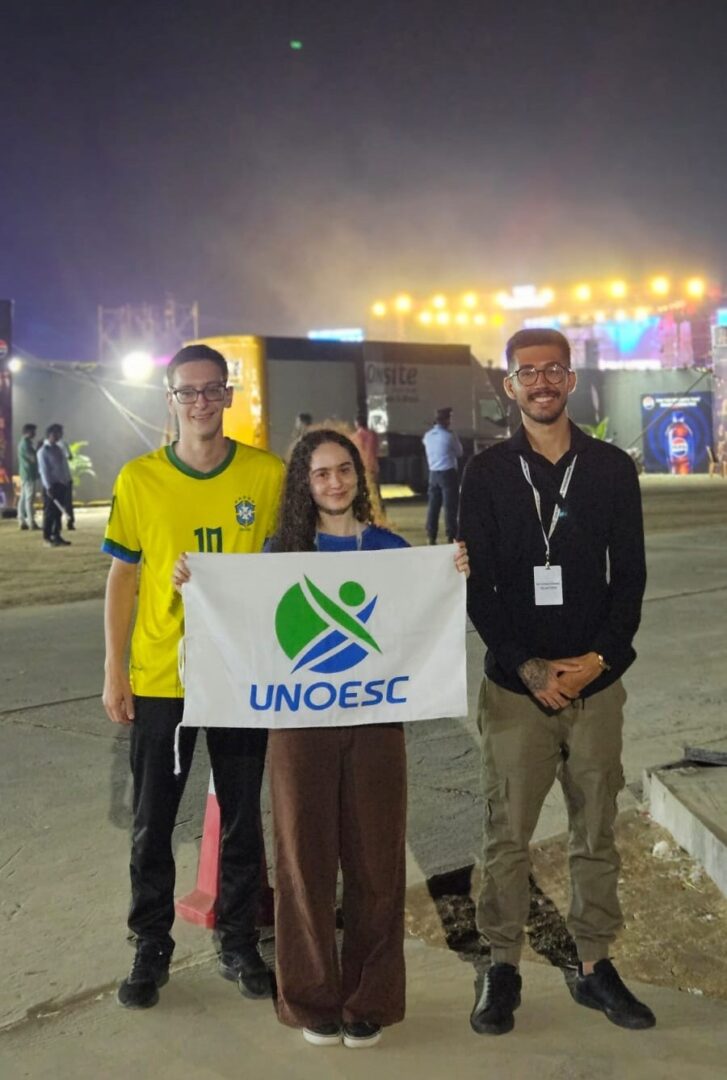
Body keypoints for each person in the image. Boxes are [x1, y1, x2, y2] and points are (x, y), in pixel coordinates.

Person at [173, 428, 469, 1049]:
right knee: (302, 863)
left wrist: (450, 574)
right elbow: (241, 619)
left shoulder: (388, 548)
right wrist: (195, 584)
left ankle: (370, 1000)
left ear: (360, 477)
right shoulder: (281, 554)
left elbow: (420, 620)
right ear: (304, 485)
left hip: (375, 726)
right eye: (321, 473)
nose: (335, 482)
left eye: (344, 470)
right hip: (298, 729)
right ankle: (310, 998)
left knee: (376, 864)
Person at [459, 327, 655, 1036]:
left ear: (571, 380)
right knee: (506, 834)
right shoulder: (486, 473)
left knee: (594, 828)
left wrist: (599, 660)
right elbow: (477, 587)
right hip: (518, 691)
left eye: (552, 370)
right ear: (508, 386)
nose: (540, 382)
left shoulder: (609, 468)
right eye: (526, 372)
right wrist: (529, 668)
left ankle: (595, 963)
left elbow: (629, 577)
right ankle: (501, 965)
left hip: (595, 685)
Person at [102, 343, 285, 1010]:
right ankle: (150, 944)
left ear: (228, 395)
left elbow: (295, 564)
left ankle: (238, 941)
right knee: (153, 821)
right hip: (161, 676)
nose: (201, 402)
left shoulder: (266, 475)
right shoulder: (139, 479)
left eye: (212, 390)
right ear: (170, 399)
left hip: (239, 676)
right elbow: (123, 578)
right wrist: (114, 669)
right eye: (188, 391)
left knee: (241, 819)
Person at [422, 406, 463, 544]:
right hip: (448, 473)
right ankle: (451, 535)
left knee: (433, 506)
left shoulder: (427, 436)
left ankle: (431, 535)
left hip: (433, 474)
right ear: (446, 420)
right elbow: (459, 452)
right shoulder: (449, 436)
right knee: (450, 506)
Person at [37, 423, 72, 547]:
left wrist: (66, 480)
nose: (59, 436)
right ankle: (47, 538)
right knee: (49, 513)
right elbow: (44, 470)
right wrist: (48, 486)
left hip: (61, 484)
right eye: (57, 433)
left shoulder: (58, 449)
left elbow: (63, 467)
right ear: (50, 434)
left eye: (60, 433)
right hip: (51, 486)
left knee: (58, 513)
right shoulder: (43, 451)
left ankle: (57, 535)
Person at [17, 422, 40, 530]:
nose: (35, 433)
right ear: (27, 432)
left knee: (23, 498)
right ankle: (31, 522)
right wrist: (39, 448)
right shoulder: (25, 444)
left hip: (25, 473)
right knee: (29, 499)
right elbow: (33, 458)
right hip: (29, 473)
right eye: (33, 431)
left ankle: (22, 520)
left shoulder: (25, 443)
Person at [351, 411, 380, 492]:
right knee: (375, 488)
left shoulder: (354, 437)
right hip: (373, 465)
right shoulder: (373, 435)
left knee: (363, 488)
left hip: (360, 466)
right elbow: (377, 449)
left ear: (357, 423)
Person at [57, 434, 75, 530]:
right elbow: (70, 456)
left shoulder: (46, 446)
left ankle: (57, 524)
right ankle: (69, 522)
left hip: (56, 479)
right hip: (64, 477)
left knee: (56, 503)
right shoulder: (63, 443)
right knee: (67, 502)